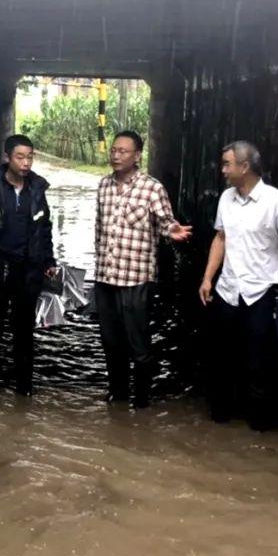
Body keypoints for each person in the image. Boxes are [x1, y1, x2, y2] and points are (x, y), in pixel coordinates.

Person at [198, 141, 278, 428]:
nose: (222, 170)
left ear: (244, 167)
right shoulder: (226, 199)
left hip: (260, 292)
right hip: (228, 289)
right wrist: (208, 278)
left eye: (227, 164)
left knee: (258, 360)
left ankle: (258, 423)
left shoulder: (275, 202)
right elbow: (220, 239)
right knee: (221, 356)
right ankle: (220, 416)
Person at [94, 131, 192, 408]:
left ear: (137, 156)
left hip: (136, 278)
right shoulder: (103, 186)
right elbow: (99, 230)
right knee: (111, 342)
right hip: (106, 277)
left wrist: (173, 231)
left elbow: (165, 222)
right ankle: (118, 393)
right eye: (114, 150)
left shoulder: (152, 188)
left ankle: (142, 399)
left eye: (123, 151)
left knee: (138, 342)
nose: (116, 155)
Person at [0, 134, 57, 399]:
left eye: (30, 157)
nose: (26, 163)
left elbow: (44, 229)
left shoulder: (36, 190)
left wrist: (48, 261)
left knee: (24, 330)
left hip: (28, 270)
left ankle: (24, 388)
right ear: (7, 157)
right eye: (20, 157)